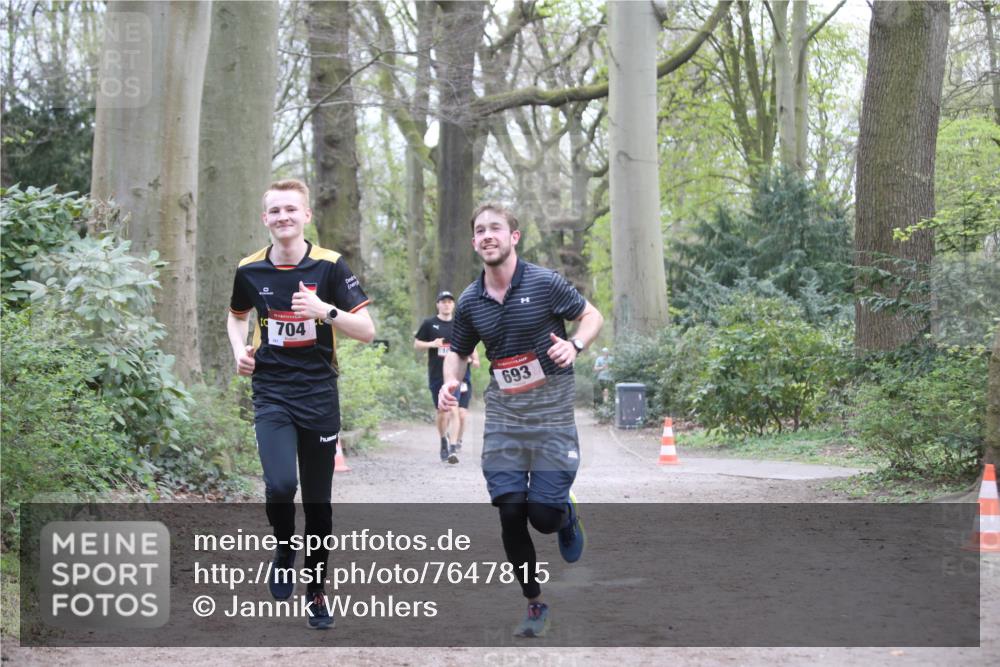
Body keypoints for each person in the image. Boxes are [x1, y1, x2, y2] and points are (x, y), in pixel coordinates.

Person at [438, 203, 603, 638]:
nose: (487, 235)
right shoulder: (471, 300)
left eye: (496, 228)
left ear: (515, 236)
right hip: (505, 417)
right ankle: (535, 604)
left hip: (551, 415)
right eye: (479, 230)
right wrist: (449, 382)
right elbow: (457, 350)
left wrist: (577, 345)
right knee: (511, 511)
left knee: (542, 517)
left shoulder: (545, 283)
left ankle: (565, 514)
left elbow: (591, 315)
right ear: (474, 242)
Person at [226, 179, 375, 630]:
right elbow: (237, 318)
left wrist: (323, 310)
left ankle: (316, 592)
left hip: (319, 394)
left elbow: (367, 330)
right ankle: (283, 544)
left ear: (306, 216)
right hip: (271, 390)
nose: (283, 217)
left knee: (319, 504)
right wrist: (238, 351)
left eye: (291, 209)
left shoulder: (330, 266)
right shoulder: (249, 269)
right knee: (278, 486)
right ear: (265, 219)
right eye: (275, 211)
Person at [414, 291, 480, 463]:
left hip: (458, 375)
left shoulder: (460, 323)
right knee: (442, 413)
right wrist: (432, 344)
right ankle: (443, 440)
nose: (446, 304)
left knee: (455, 410)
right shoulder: (429, 324)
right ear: (437, 304)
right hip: (437, 374)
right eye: (443, 302)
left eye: (450, 301)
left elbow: (470, 343)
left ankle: (452, 449)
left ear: (453, 305)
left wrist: (475, 358)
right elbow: (417, 343)